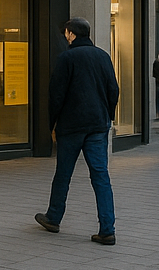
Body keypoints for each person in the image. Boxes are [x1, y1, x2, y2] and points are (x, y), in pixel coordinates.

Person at [35, 17, 119, 245]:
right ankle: (107, 229)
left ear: (71, 34)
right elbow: (113, 89)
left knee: (63, 173)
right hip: (97, 125)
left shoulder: (66, 58)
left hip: (71, 126)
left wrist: (52, 124)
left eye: (66, 33)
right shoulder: (103, 56)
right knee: (100, 176)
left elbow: (56, 94)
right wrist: (108, 115)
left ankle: (54, 217)